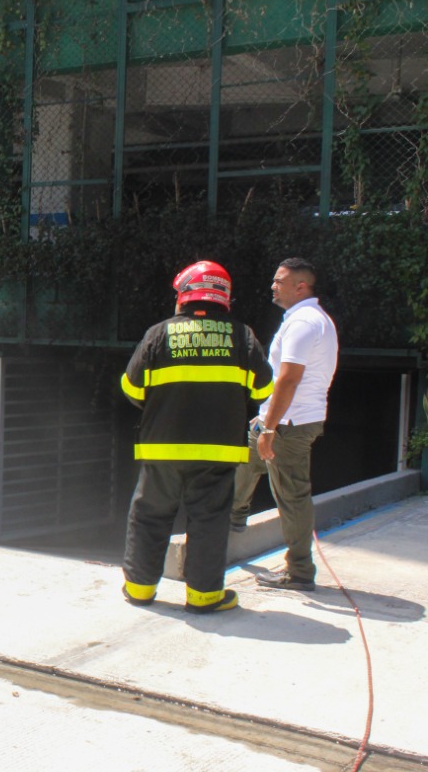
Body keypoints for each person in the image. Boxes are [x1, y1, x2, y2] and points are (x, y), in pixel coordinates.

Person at [120, 260, 274, 614]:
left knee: (150, 515)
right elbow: (263, 386)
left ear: (185, 295)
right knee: (209, 520)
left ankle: (140, 589)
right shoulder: (242, 336)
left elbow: (131, 387)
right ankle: (204, 596)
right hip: (218, 453)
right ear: (224, 298)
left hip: (162, 447)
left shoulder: (158, 333)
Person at [231, 257, 339, 592]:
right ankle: (233, 517)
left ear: (300, 286)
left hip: (290, 424)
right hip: (287, 418)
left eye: (279, 281)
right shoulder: (309, 319)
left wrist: (270, 428)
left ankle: (300, 571)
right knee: (245, 460)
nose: (273, 285)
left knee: (291, 495)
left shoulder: (304, 323)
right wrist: (264, 420)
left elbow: (288, 380)